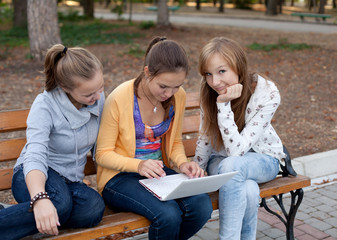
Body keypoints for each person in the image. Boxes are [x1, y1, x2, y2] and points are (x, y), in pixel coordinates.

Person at [95, 36, 213, 240]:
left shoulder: (178, 96)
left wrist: (183, 164)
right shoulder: (120, 97)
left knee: (201, 206)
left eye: (177, 86)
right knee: (168, 215)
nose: (170, 93)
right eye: (163, 86)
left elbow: (174, 142)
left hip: (157, 175)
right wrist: (139, 166)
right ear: (147, 72)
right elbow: (102, 154)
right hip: (119, 178)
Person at [0, 44, 106, 240]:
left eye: (100, 88)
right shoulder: (45, 105)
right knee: (60, 205)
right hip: (33, 176)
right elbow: (35, 154)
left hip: (69, 183)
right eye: (89, 94)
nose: (98, 97)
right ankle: (38, 211)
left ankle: (17, 218)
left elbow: (103, 146)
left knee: (93, 208)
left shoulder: (98, 99)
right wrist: (40, 198)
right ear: (65, 87)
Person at [194, 37, 286, 240]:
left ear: (239, 66)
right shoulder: (209, 94)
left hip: (263, 159)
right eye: (208, 74)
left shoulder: (266, 93)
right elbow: (206, 136)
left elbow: (237, 153)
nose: (214, 82)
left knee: (233, 166)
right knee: (249, 190)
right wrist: (196, 168)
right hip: (221, 160)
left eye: (221, 71)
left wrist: (224, 105)